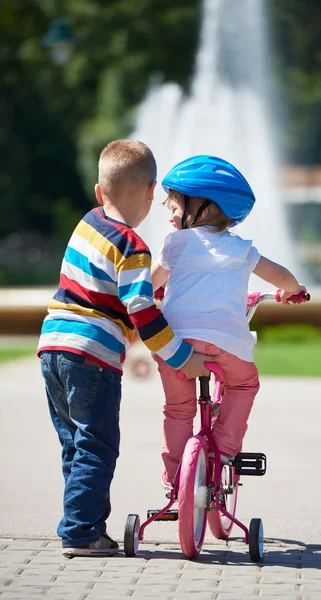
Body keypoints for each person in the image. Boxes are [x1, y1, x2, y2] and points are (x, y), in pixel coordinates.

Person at [37, 140, 214, 557]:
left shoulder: (87, 224)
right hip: (93, 356)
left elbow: (112, 289)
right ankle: (80, 533)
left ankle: (86, 527)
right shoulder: (133, 246)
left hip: (53, 347)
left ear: (100, 192)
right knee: (97, 445)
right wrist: (183, 358)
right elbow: (141, 310)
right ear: (153, 192)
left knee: (77, 445)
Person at [151, 154, 308, 489]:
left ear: (203, 210)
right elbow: (279, 275)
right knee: (243, 385)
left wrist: (156, 291)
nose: (170, 217)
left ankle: (175, 477)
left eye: (175, 208)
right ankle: (223, 453)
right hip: (225, 343)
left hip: (175, 344)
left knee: (178, 409)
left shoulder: (175, 245)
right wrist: (293, 291)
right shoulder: (241, 250)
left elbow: (151, 283)